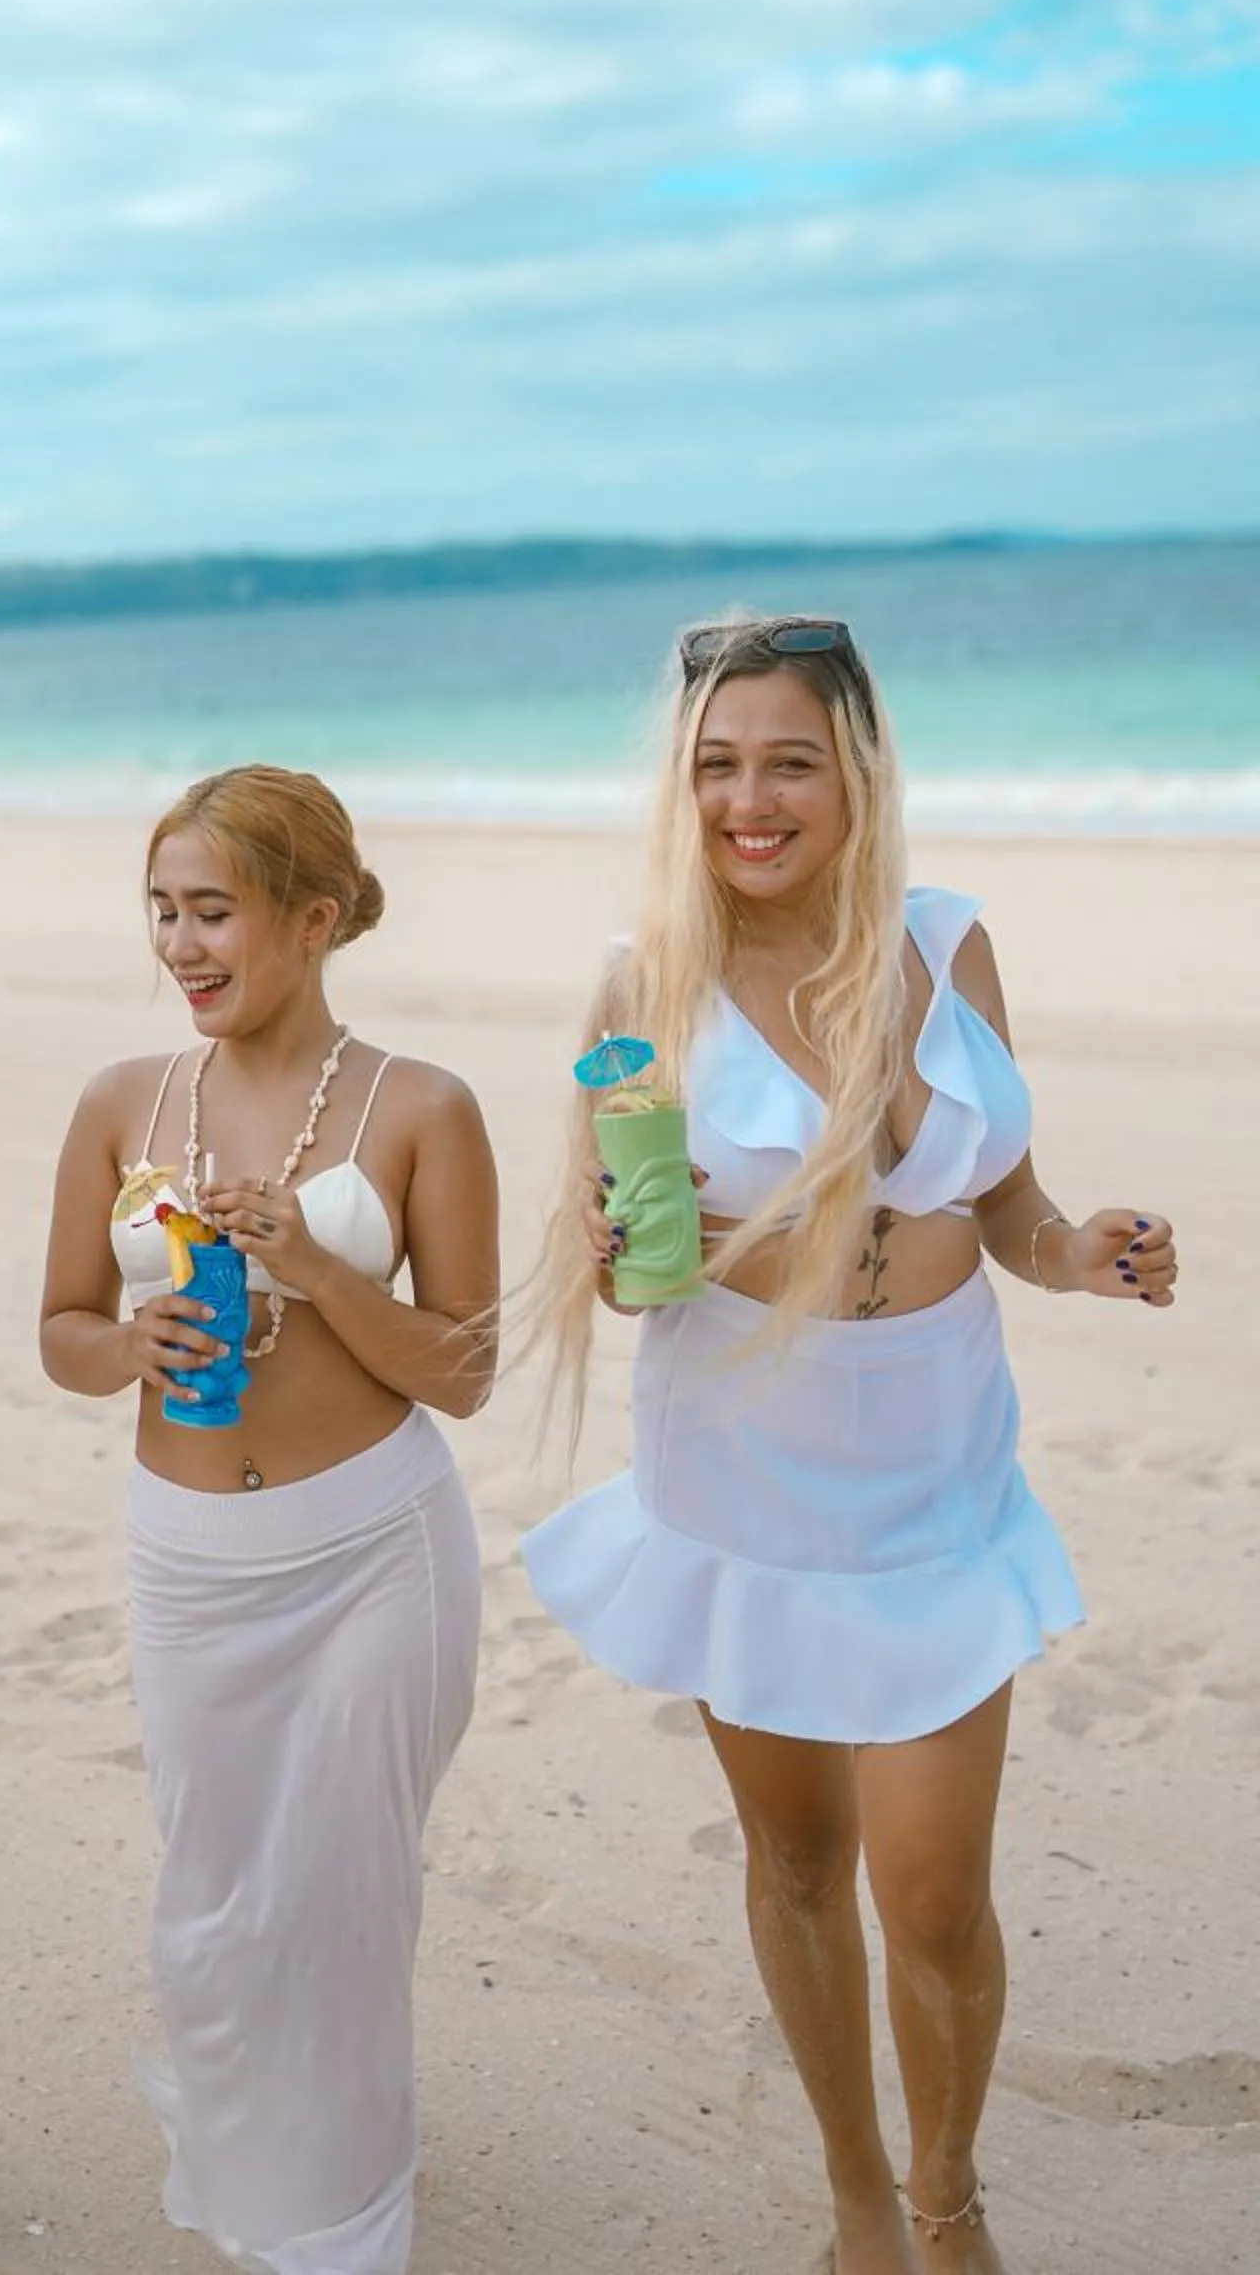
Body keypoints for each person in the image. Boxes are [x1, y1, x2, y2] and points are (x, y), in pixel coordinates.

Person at [521, 618, 1178, 2275]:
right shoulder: (640, 984)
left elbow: (1003, 1204)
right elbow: (630, 1259)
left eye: (789, 759)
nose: (752, 798)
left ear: (857, 770)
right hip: (748, 1471)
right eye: (718, 762)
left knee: (936, 1894)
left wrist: (1083, 1245)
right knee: (800, 1858)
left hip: (938, 1467)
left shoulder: (946, 944)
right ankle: (859, 2200)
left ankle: (952, 2200)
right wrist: (612, 1252)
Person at [41, 765, 498, 2275]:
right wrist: (134, 1349)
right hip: (190, 1563)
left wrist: (317, 1263)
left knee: (345, 1902)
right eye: (161, 912)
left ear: (311, 918)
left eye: (211, 911)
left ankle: (346, 2230)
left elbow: (471, 1369)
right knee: (216, 1915)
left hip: (377, 1552)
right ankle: (259, 2172)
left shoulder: (424, 1108)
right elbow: (61, 1330)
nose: (179, 944)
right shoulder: (122, 1104)